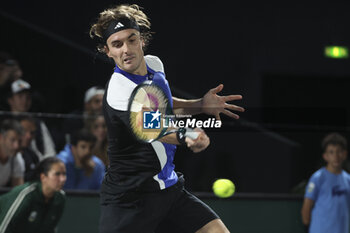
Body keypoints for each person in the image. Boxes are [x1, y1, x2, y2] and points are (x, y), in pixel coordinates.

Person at [90, 4, 244, 233]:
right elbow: (148, 126)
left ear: (142, 40)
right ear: (107, 51)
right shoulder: (119, 89)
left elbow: (164, 107)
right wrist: (187, 134)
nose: (126, 49)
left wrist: (200, 105)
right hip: (130, 199)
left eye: (132, 40)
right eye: (117, 44)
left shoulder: (154, 65)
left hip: (168, 188)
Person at [0, 157, 66, 233]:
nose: (62, 179)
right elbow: (3, 227)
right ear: (43, 177)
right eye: (57, 174)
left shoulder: (60, 198)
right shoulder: (27, 195)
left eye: (64, 174)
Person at [301, 133, 350, 233]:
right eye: (331, 152)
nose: (336, 156)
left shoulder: (348, 179)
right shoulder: (317, 178)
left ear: (345, 154)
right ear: (325, 156)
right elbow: (306, 208)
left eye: (339, 152)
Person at [7, 79, 56, 159]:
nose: (25, 100)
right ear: (10, 100)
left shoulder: (38, 123)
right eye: (20, 96)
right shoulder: (5, 124)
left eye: (28, 97)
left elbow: (50, 151)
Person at [0, 119, 24, 187]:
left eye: (19, 141)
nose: (16, 146)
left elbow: (18, 190)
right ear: (1, 137)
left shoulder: (17, 158)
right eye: (12, 140)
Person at [17, 116, 41, 181]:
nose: (29, 136)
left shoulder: (33, 157)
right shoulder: (6, 156)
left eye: (32, 133)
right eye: (24, 131)